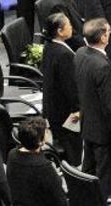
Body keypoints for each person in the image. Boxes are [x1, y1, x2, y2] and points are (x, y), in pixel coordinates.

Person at [74, 18, 111, 202]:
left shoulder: (80, 53)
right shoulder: (102, 67)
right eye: (108, 31)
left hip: (88, 124)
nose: (110, 34)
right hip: (103, 132)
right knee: (105, 175)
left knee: (88, 169)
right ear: (102, 37)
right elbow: (110, 106)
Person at [41, 13, 82, 165]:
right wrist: (77, 109)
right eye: (69, 25)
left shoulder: (50, 45)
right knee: (71, 146)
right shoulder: (64, 54)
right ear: (59, 31)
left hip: (53, 107)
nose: (72, 27)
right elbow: (69, 86)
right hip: (64, 111)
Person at [6, 117, 67, 206]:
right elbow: (60, 201)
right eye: (46, 131)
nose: (49, 132)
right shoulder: (44, 167)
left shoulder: (12, 154)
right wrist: (57, 179)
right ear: (40, 142)